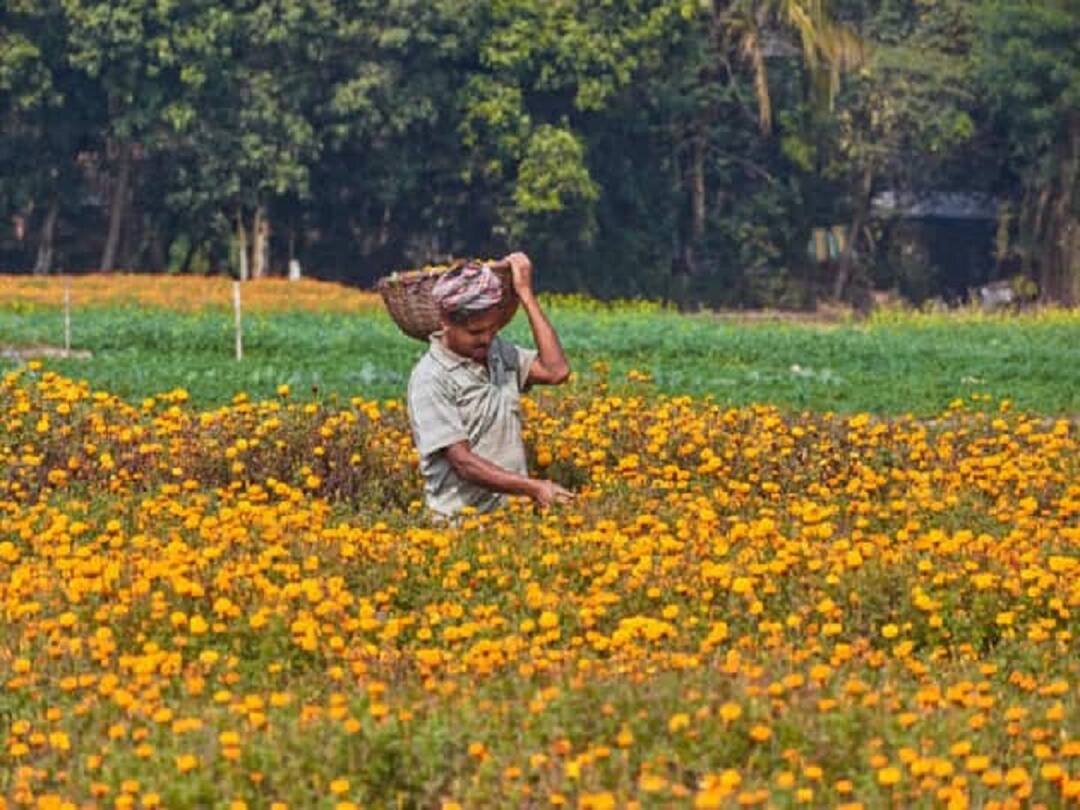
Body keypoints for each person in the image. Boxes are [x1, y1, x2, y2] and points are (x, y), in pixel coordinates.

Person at [407, 251, 575, 518]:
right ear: (446, 322)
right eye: (475, 332)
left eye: (492, 329)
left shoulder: (497, 353)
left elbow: (557, 371)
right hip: (462, 526)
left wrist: (526, 296)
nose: (486, 339)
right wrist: (534, 488)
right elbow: (463, 463)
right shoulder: (430, 377)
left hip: (511, 518)